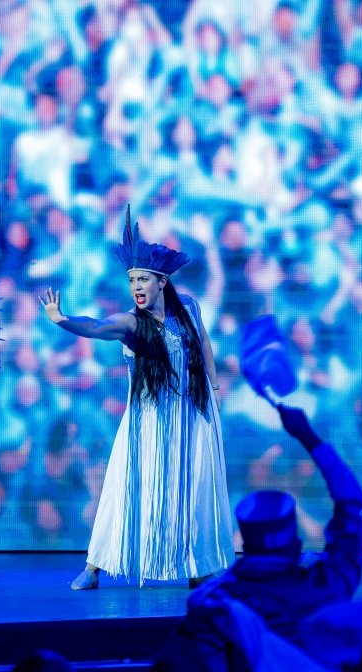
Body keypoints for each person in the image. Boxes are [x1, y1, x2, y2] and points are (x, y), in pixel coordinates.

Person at [39, 206, 233, 589]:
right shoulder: (131, 322)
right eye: (132, 281)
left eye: (143, 279)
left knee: (191, 491)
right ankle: (95, 566)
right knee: (125, 490)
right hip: (148, 421)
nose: (137, 288)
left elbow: (204, 342)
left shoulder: (188, 309)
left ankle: (196, 566)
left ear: (161, 281)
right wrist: (62, 319)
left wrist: (213, 384)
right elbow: (96, 327)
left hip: (190, 416)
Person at [154, 403, 362, 671]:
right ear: (296, 545)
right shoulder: (327, 584)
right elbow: (356, 509)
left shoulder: (213, 604)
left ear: (246, 545)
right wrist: (308, 437)